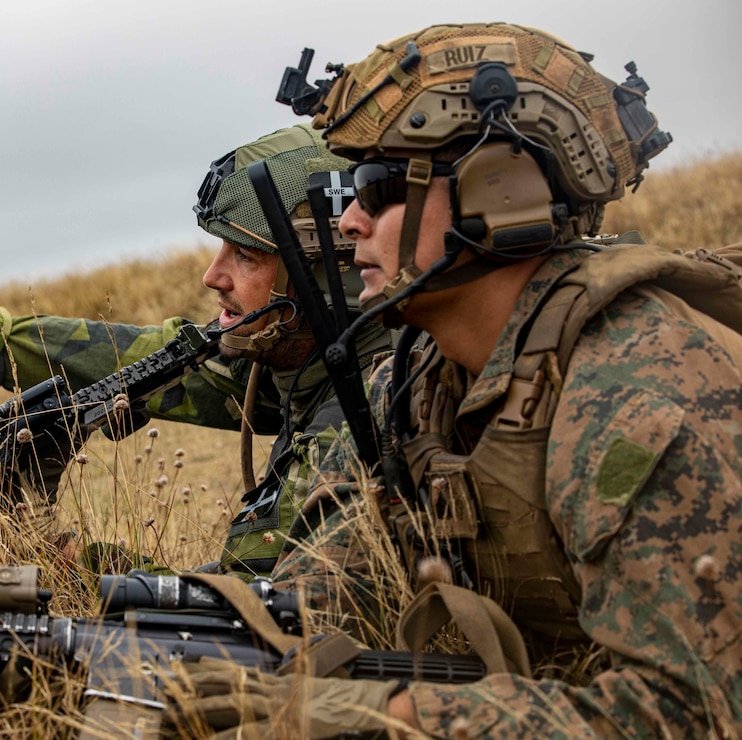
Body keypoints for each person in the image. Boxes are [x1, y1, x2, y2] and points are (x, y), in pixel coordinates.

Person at [165, 22, 741, 737]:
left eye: (376, 190)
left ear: (498, 197)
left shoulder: (634, 388)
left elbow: (698, 713)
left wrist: (396, 717)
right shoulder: (425, 379)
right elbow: (326, 587)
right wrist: (124, 635)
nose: (347, 225)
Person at [0, 123, 392, 579]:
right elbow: (130, 357)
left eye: (246, 255)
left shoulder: (363, 409)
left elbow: (254, 617)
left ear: (318, 274)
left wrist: (64, 558)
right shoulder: (297, 356)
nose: (212, 274)